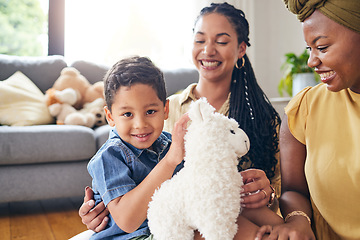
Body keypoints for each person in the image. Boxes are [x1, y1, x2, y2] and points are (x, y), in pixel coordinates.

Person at [79, 1, 282, 235]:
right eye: (200, 40)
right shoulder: (170, 120)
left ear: (241, 49)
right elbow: (123, 207)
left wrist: (268, 194)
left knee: (231, 206)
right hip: (165, 226)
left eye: (222, 41)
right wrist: (95, 207)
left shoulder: (262, 117)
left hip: (203, 212)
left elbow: (278, 190)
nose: (208, 50)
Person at [255, 0, 360, 239]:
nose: (312, 61)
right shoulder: (304, 109)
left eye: (321, 47)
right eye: (309, 49)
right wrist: (297, 221)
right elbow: (294, 190)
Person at [86, 56, 189, 239]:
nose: (140, 124)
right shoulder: (110, 156)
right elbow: (127, 221)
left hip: (167, 227)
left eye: (150, 111)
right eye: (127, 114)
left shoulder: (171, 144)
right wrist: (170, 161)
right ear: (110, 117)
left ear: (165, 109)